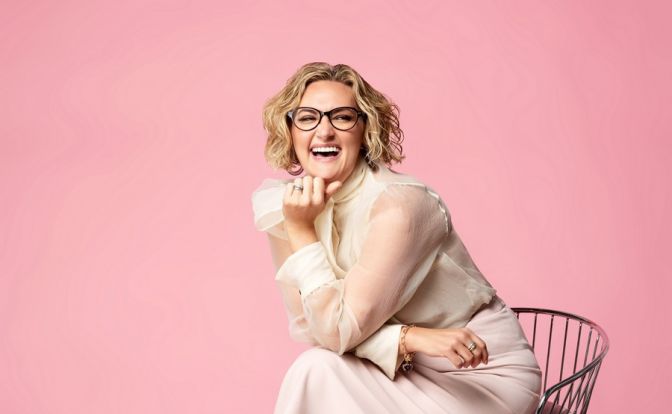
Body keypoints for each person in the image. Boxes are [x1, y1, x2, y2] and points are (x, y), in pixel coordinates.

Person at [252, 62, 542, 413]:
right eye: (307, 118)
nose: (324, 131)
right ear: (290, 130)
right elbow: (312, 330)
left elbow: (336, 333)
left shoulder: (400, 206)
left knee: (316, 370)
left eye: (342, 117)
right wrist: (408, 338)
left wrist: (302, 231)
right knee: (316, 367)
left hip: (478, 373)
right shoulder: (292, 206)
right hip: (396, 368)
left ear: (365, 130)